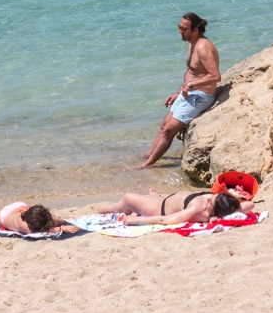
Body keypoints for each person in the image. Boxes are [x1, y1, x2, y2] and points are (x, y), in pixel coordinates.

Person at [142, 13, 221, 167]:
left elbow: (216, 76)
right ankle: (148, 154)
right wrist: (178, 92)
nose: (180, 31)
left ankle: (146, 165)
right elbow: (192, 72)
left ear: (195, 30)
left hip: (201, 95)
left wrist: (191, 85)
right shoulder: (191, 42)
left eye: (184, 28)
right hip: (188, 93)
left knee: (169, 130)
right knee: (165, 124)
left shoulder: (203, 47)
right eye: (179, 27)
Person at [85, 188, 250, 227]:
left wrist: (136, 221)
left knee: (128, 198)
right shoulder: (229, 207)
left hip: (159, 208)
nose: (208, 199)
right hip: (167, 199)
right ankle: (153, 197)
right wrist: (235, 198)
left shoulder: (197, 210)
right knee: (150, 197)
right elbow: (250, 204)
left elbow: (165, 220)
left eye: (210, 202)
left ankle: (108, 209)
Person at [0, 202, 81, 235]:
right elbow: (44, 231)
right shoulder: (23, 226)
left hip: (20, 207)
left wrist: (63, 223)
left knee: (48, 218)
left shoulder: (32, 213)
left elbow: (46, 219)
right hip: (4, 215)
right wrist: (62, 228)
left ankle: (63, 220)